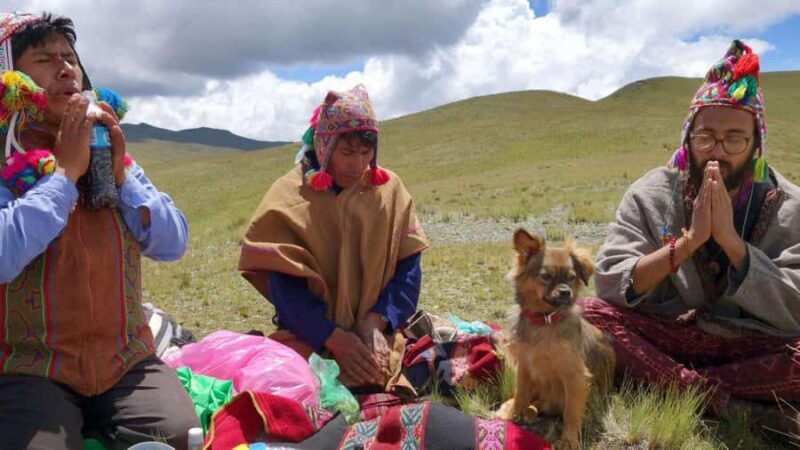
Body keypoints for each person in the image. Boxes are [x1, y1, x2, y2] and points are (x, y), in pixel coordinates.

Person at [0, 12, 198, 449]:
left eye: (70, 57)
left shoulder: (110, 152)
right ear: (10, 80)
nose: (66, 68)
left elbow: (174, 243)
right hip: (29, 367)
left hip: (124, 361)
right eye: (45, 59)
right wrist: (64, 176)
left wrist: (124, 178)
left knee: (179, 436)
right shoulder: (5, 160)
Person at [584, 40, 800, 433]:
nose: (718, 151)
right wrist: (687, 244)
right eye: (706, 138)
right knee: (586, 317)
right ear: (688, 140)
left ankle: (676, 385)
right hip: (669, 336)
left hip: (752, 344)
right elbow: (610, 282)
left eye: (735, 139)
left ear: (756, 145)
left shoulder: (791, 206)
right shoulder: (651, 193)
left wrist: (733, 245)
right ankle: (734, 404)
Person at [238, 84, 428, 388]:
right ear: (325, 146)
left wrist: (376, 322)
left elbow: (409, 271)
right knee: (296, 393)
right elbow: (285, 291)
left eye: (367, 152)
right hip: (310, 338)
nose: (358, 164)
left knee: (391, 379)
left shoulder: (390, 192)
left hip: (376, 337)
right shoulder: (289, 197)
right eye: (347, 152)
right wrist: (335, 338)